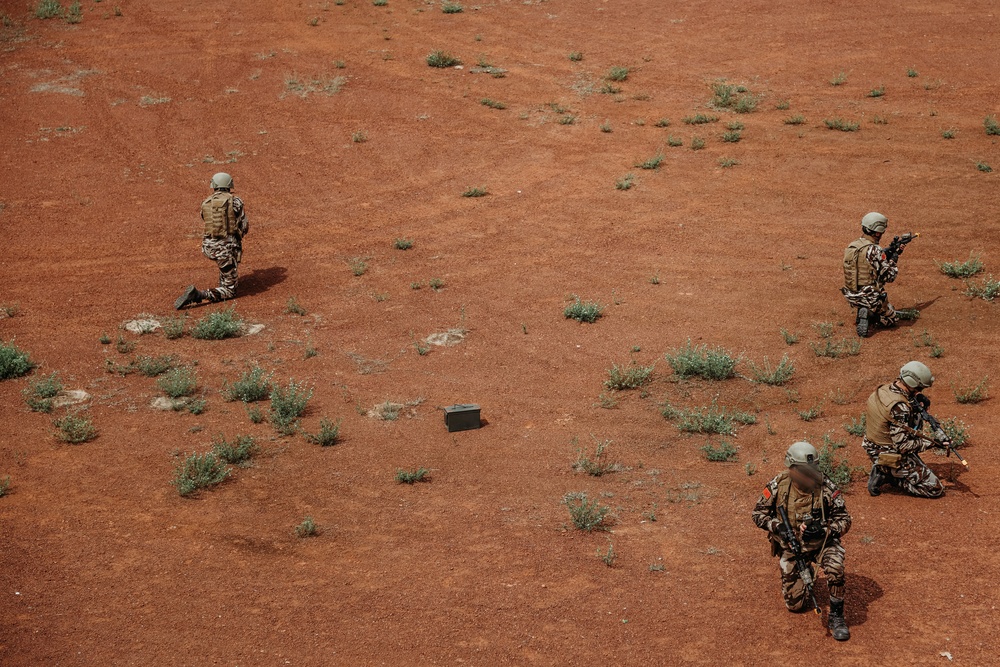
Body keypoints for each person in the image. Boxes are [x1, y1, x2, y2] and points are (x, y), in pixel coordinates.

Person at [752, 441, 852, 641]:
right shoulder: (778, 485)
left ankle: (836, 616)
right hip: (792, 546)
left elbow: (845, 520)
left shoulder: (826, 486)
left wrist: (825, 530)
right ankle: (805, 572)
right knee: (795, 605)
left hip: (822, 544)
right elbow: (758, 514)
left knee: (835, 568)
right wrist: (777, 527)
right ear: (791, 467)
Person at [862, 361, 947, 498]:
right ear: (913, 384)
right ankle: (887, 473)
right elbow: (903, 446)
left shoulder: (885, 389)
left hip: (872, 444)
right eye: (920, 388)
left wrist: (917, 398)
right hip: (887, 451)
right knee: (934, 489)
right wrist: (933, 443)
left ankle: (890, 469)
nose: (921, 390)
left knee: (916, 415)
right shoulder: (900, 408)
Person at [174, 172, 250, 309]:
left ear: (213, 185)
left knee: (225, 260)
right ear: (230, 185)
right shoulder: (236, 201)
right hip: (225, 251)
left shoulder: (206, 202)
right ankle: (198, 295)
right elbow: (244, 227)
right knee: (230, 291)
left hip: (208, 247)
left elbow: (206, 220)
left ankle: (225, 278)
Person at [842, 212, 898, 337]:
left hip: (851, 295)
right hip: (869, 296)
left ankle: (862, 309)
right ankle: (869, 313)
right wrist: (893, 260)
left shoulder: (853, 246)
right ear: (878, 232)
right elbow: (890, 276)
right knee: (891, 319)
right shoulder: (876, 250)